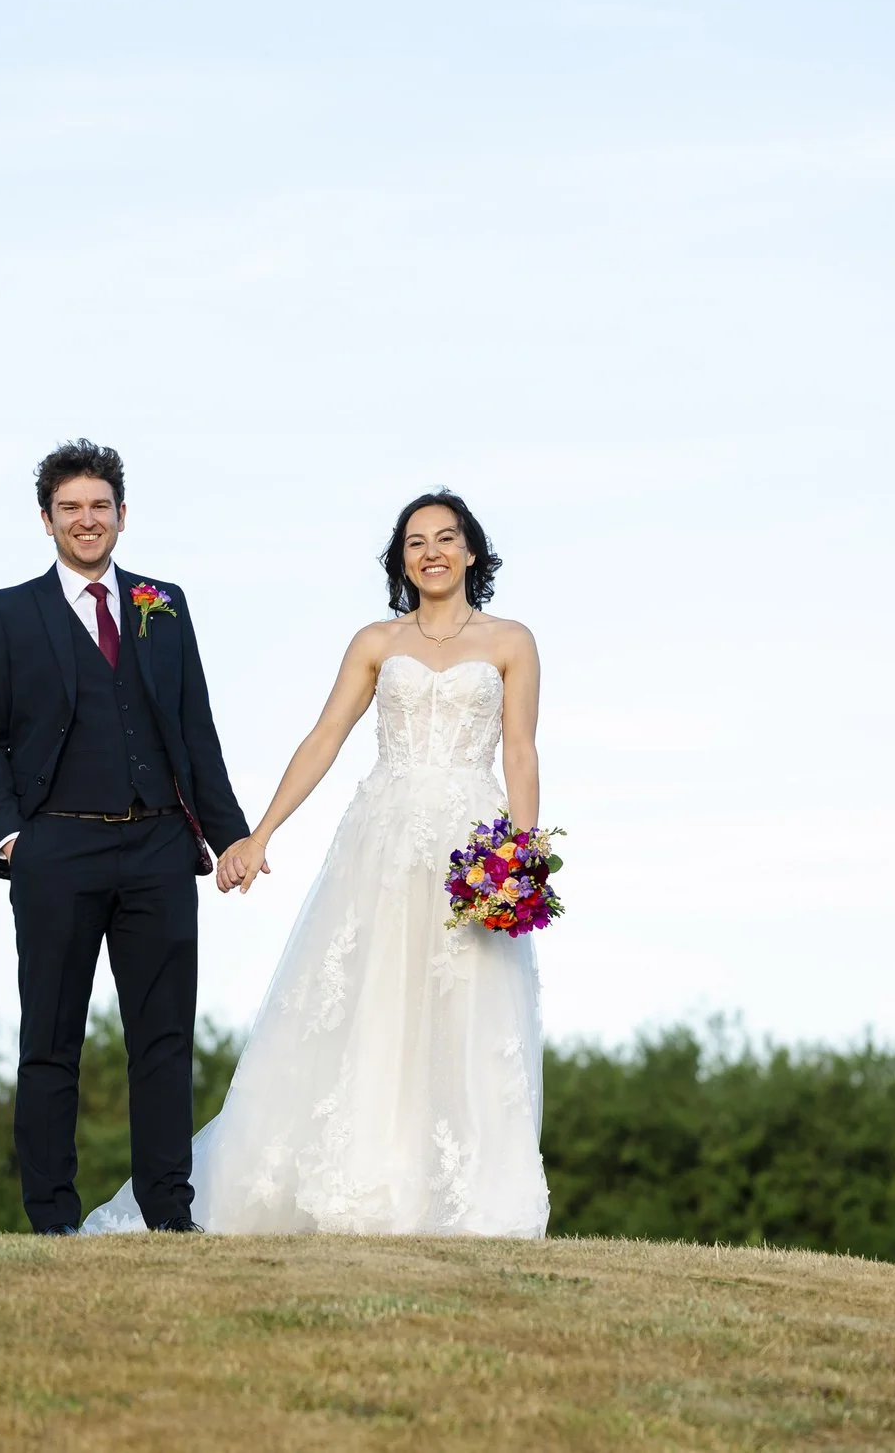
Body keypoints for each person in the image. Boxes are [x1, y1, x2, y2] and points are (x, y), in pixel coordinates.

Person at [84, 489, 550, 1236]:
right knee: (370, 1004)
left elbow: (521, 751)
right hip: (383, 843)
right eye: (414, 541)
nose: (430, 550)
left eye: (445, 537)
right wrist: (259, 831)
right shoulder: (375, 641)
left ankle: (466, 1199)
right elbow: (325, 737)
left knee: (465, 1006)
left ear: (471, 550)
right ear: (401, 560)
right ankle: (360, 1182)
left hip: (470, 847)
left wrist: (521, 860)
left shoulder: (511, 641)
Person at [0, 439, 254, 1234]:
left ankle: (169, 1211)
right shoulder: (8, 612)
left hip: (159, 846)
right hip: (56, 849)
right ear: (47, 520)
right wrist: (11, 837)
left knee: (162, 1041)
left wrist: (231, 836)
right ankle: (51, 1218)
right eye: (70, 509)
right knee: (50, 1040)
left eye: (100, 507)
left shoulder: (166, 602)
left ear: (122, 515)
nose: (86, 520)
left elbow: (196, 729)